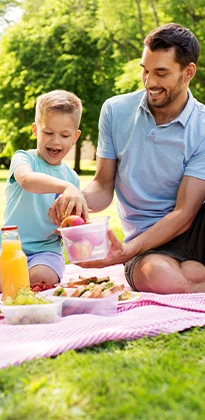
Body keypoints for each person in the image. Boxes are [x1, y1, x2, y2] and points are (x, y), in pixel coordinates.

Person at [49, 23, 205, 295]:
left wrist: (123, 253)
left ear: (187, 72)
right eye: (145, 71)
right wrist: (76, 199)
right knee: (158, 277)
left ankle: (192, 273)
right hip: (148, 242)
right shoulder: (115, 111)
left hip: (194, 226)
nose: (150, 82)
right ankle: (191, 273)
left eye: (161, 73)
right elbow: (103, 185)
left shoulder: (202, 124)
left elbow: (185, 213)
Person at [0, 90, 88, 294]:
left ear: (75, 137)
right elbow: (27, 180)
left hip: (45, 251)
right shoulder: (23, 159)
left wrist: (68, 229)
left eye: (64, 135)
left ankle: (25, 273)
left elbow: (69, 222)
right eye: (48, 133)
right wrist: (65, 187)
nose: (55, 141)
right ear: (35, 130)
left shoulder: (71, 178)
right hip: (11, 246)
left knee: (39, 280)